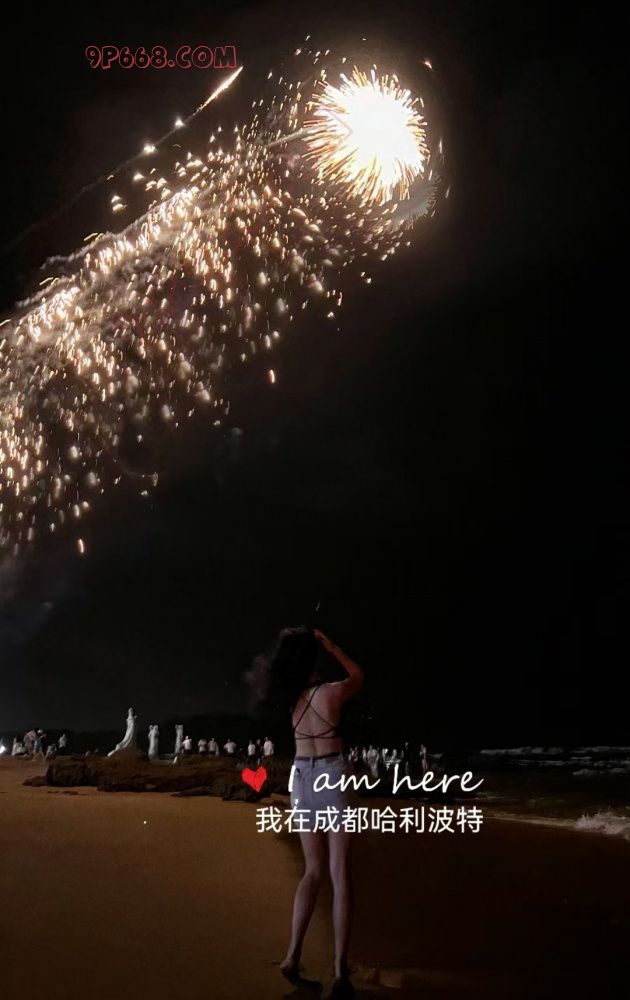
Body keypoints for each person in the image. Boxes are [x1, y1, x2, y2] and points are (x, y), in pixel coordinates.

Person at [265, 626, 363, 996]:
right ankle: (340, 971)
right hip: (331, 775)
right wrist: (331, 645)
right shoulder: (331, 693)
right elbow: (358, 675)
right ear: (312, 661)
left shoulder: (292, 701)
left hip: (301, 778)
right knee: (339, 873)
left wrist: (291, 643)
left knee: (312, 871)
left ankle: (292, 956)